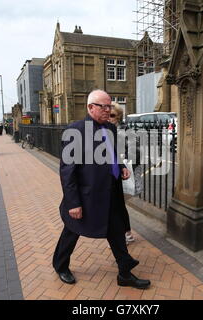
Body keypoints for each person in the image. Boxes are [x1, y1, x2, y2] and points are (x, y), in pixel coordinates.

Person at [52, 89, 150, 289]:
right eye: (103, 106)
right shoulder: (76, 131)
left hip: (111, 192)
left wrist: (121, 167)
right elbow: (67, 171)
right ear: (90, 107)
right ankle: (61, 265)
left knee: (116, 231)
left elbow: (113, 154)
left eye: (110, 106)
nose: (108, 110)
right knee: (72, 230)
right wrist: (73, 202)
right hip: (86, 195)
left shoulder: (111, 129)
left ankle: (125, 273)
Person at [108, 103, 135, 244]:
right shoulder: (107, 130)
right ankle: (126, 233)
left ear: (118, 116)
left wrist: (124, 159)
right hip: (112, 175)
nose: (109, 118)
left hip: (122, 173)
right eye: (108, 115)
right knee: (118, 206)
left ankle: (125, 234)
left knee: (118, 206)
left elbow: (135, 152)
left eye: (112, 115)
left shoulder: (125, 131)